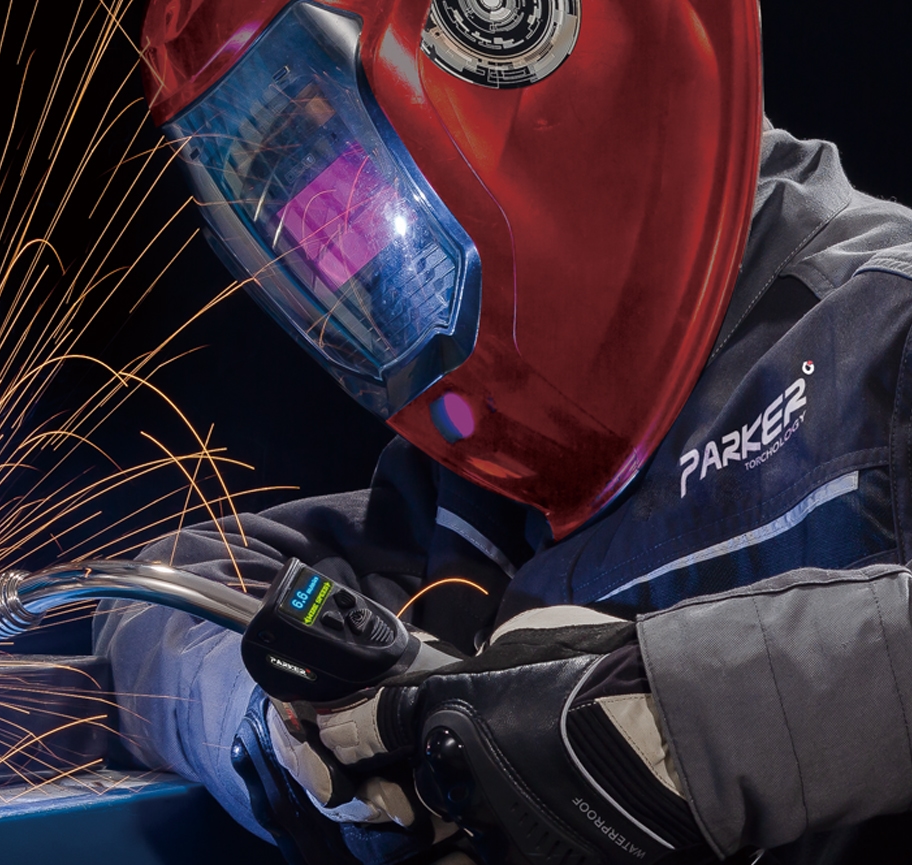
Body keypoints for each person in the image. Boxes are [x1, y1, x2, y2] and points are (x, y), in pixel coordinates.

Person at [93, 1, 912, 863]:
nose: (340, 235)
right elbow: (157, 600)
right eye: (284, 191)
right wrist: (263, 721)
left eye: (337, 157)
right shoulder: (481, 492)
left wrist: (670, 719)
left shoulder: (878, 332)